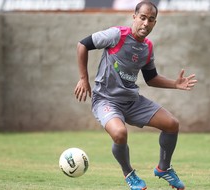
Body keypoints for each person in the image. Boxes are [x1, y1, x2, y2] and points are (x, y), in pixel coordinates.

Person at [74, 1, 197, 190]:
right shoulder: (116, 35)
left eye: (151, 20)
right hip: (106, 100)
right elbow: (82, 45)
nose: (146, 23)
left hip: (132, 101)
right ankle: (129, 173)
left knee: (172, 124)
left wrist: (175, 84)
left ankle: (163, 168)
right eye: (142, 18)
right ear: (134, 17)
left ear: (155, 23)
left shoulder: (147, 47)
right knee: (120, 133)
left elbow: (151, 78)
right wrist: (84, 79)